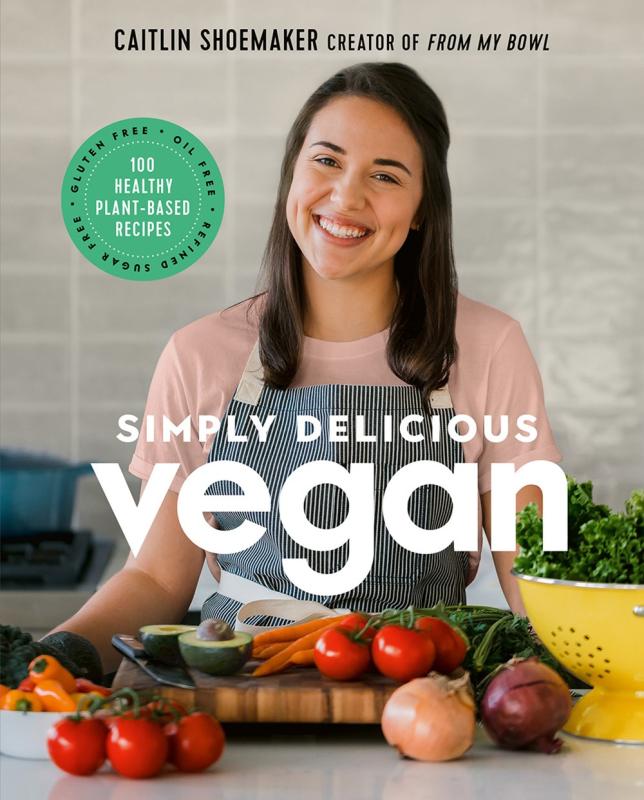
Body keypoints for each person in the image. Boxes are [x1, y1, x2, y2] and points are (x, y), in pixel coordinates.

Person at [48, 62, 561, 672]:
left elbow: (536, 580)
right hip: (242, 702)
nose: (346, 196)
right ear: (292, 173)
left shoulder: (488, 346)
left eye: (386, 175)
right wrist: (48, 656)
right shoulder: (199, 353)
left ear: (423, 207)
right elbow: (158, 579)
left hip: (422, 702)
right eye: (326, 160)